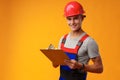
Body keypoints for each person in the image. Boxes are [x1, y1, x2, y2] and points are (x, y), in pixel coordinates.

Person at [53, 1, 103, 80]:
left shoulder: (89, 42)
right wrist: (54, 59)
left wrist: (80, 66)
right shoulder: (63, 39)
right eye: (69, 19)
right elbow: (55, 65)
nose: (72, 22)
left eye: (75, 18)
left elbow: (100, 68)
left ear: (82, 18)